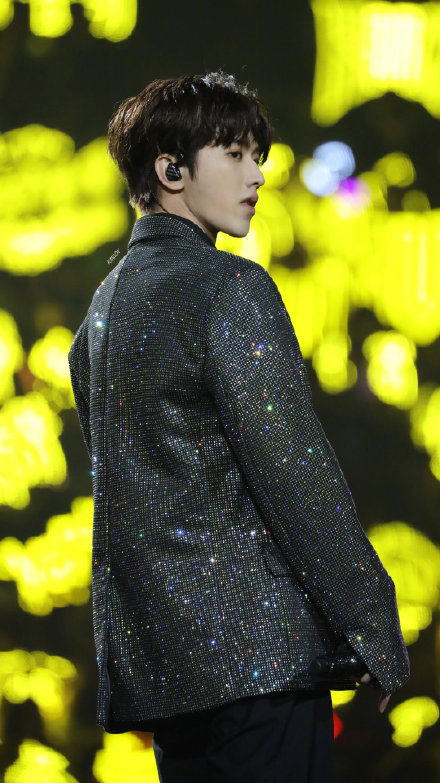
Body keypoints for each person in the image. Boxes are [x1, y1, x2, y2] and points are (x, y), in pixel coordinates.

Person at [68, 70, 410, 782]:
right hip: (264, 665)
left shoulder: (99, 315)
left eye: (259, 155)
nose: (258, 175)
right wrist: (373, 622)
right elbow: (296, 474)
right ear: (171, 170)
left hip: (172, 678)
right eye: (234, 154)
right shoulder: (228, 288)